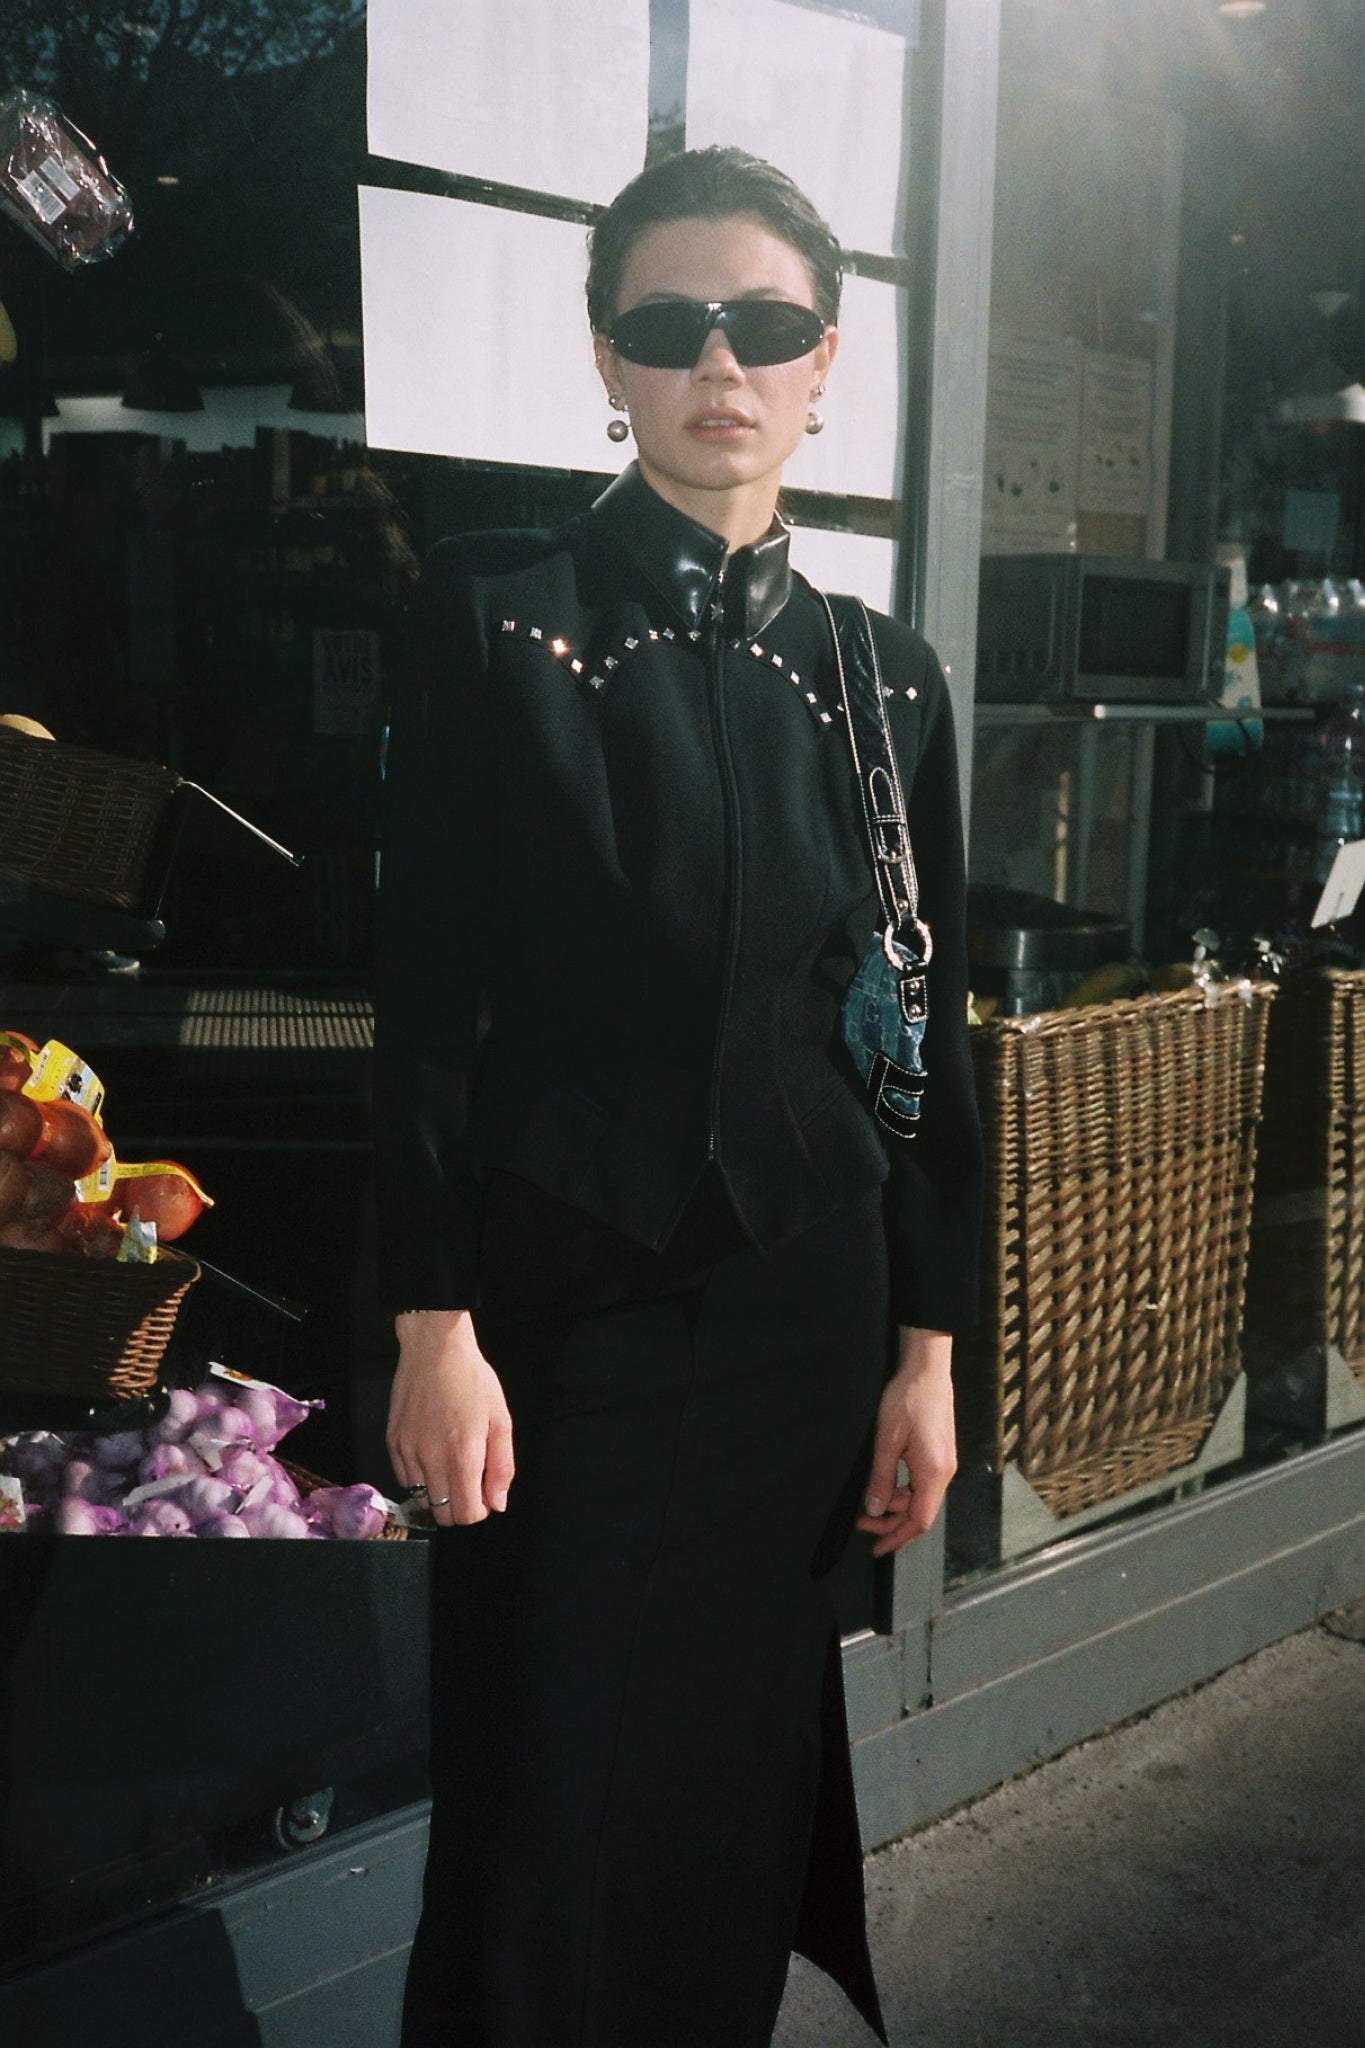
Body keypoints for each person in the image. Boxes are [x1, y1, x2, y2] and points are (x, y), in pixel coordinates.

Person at [373, 145, 983, 2048]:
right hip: (561, 1328)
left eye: (768, 325)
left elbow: (918, 1030)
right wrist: (430, 1324)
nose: (720, 364)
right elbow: (424, 1010)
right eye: (668, 325)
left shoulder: (885, 678)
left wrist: (924, 1349)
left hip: (799, 1331)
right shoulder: (497, 615)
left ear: (823, 370)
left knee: (726, 1814)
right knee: (538, 1811)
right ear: (608, 363)